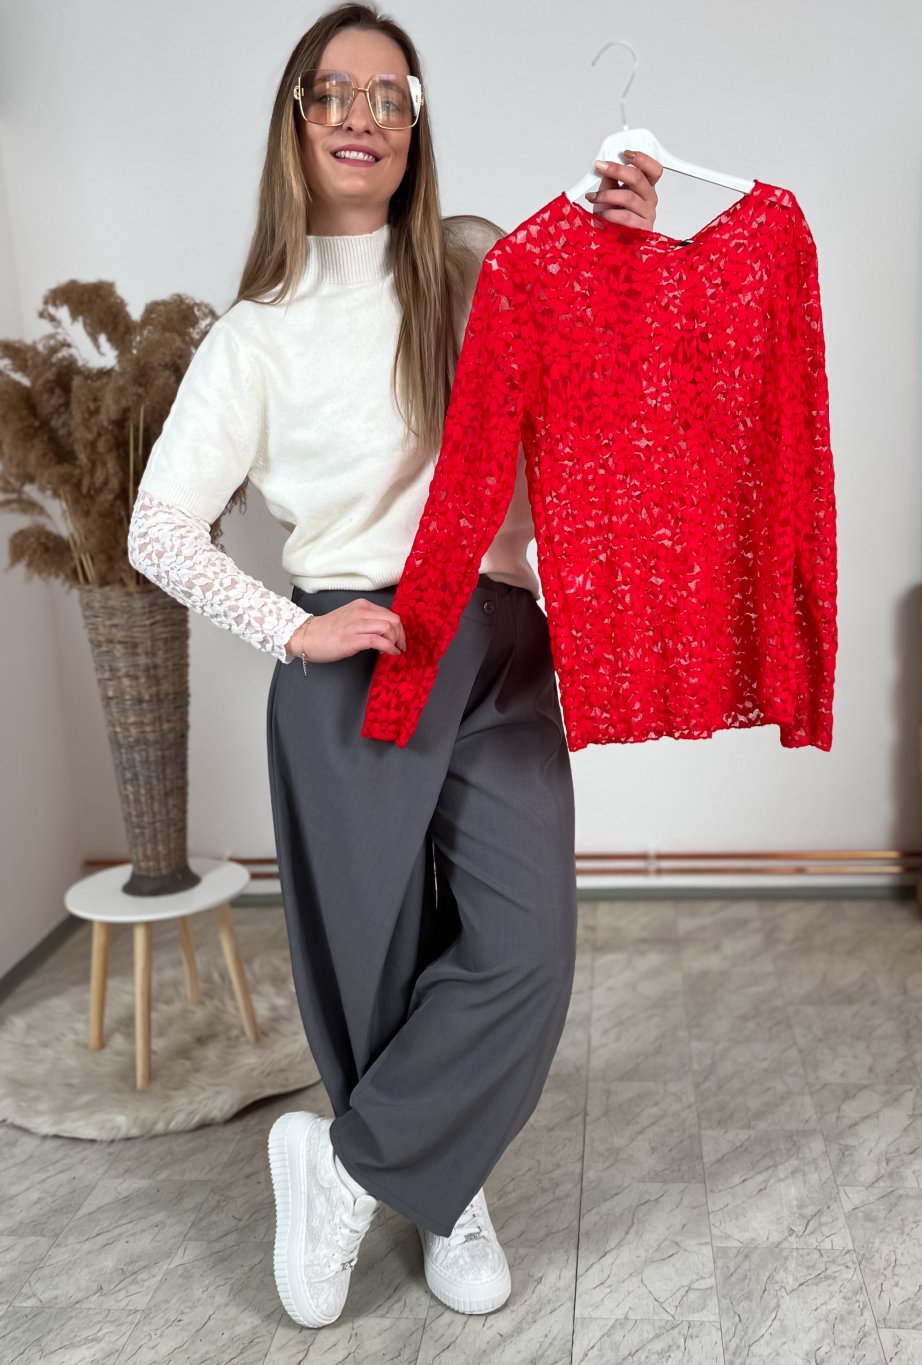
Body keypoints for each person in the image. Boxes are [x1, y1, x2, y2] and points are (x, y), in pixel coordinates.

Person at [127, 2, 662, 1331]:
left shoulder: (477, 266)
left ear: (417, 126)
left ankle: (357, 1163)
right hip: (357, 652)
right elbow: (157, 527)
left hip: (499, 641)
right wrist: (290, 628)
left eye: (391, 96)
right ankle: (445, 1187)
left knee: (525, 949)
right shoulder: (256, 333)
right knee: (371, 962)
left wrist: (630, 257)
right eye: (335, 93)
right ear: (297, 121)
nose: (362, 116)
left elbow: (598, 396)